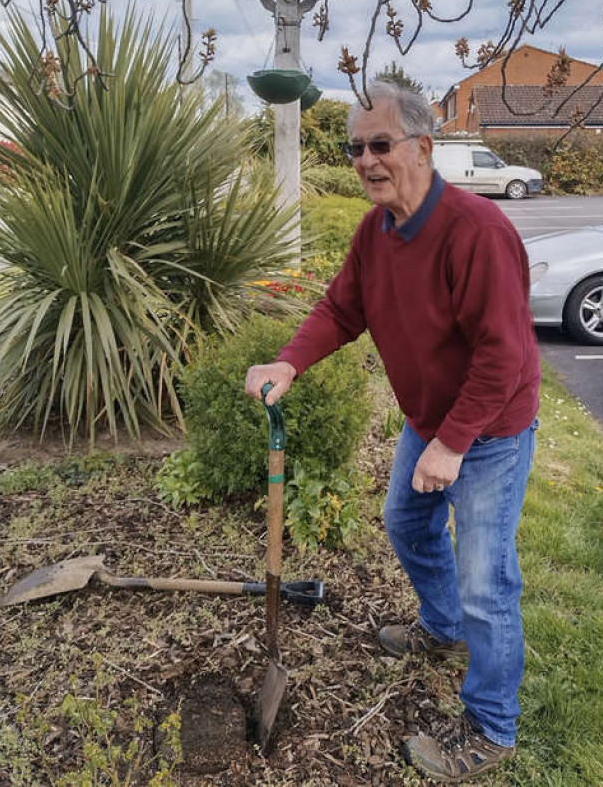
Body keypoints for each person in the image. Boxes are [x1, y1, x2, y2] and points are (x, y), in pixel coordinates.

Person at [244, 81, 540, 783]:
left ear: (423, 147)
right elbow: (342, 307)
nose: (365, 160)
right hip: (431, 419)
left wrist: (453, 442)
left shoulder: (475, 232)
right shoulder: (375, 233)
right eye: (355, 148)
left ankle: (492, 726)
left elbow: (505, 354)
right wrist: (289, 361)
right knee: (406, 523)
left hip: (489, 429)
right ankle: (440, 631)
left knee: (485, 580)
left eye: (380, 144)